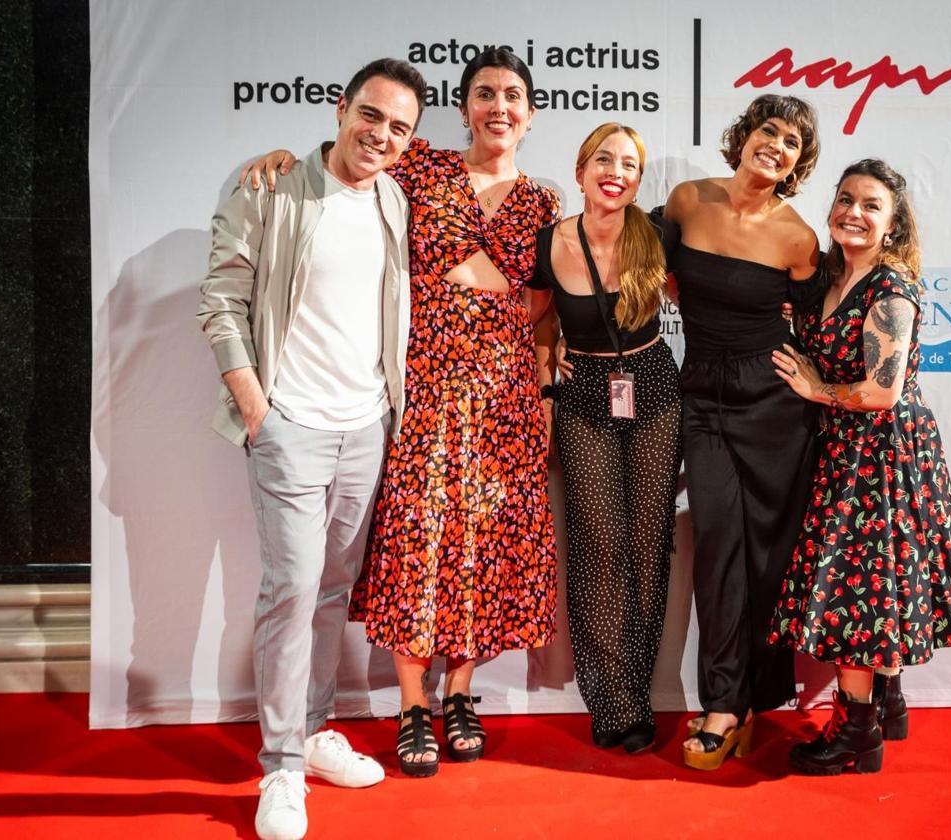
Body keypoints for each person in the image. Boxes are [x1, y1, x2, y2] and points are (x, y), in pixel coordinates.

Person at [241, 48, 560, 778]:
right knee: (417, 545)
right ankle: (412, 702)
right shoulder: (419, 170)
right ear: (465, 107)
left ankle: (461, 693)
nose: (499, 107)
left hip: (505, 399)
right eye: (485, 94)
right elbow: (339, 174)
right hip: (420, 387)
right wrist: (283, 158)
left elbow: (544, 314)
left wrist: (540, 391)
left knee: (484, 546)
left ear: (531, 113)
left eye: (513, 95)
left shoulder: (544, 202)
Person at [199, 58, 424, 840]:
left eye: (400, 127)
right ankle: (282, 767)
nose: (383, 135)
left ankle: (317, 728)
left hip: (365, 426)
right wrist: (257, 407)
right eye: (372, 116)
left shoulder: (394, 197)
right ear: (339, 109)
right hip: (288, 424)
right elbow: (221, 300)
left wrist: (385, 415)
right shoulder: (272, 188)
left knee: (332, 589)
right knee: (292, 591)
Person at [769, 158, 951, 775]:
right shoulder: (828, 279)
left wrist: (816, 390)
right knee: (876, 587)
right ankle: (887, 703)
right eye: (845, 199)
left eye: (871, 205)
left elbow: (882, 391)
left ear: (892, 224)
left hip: (881, 455)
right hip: (845, 451)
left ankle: (855, 734)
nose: (853, 213)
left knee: (857, 593)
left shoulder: (890, 289)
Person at [662, 94, 826, 770]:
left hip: (774, 407)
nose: (777, 146)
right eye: (770, 130)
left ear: (797, 164)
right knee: (719, 545)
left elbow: (824, 325)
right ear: (746, 136)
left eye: (792, 143)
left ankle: (754, 701)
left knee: (768, 557)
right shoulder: (686, 200)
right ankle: (723, 702)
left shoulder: (798, 237)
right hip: (701, 396)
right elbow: (645, 263)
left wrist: (822, 385)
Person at [529, 123, 681, 753]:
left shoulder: (658, 235)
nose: (615, 172)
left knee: (648, 545)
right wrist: (545, 371)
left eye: (628, 165)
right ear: (581, 167)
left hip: (653, 387)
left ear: (638, 181)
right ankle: (610, 699)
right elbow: (536, 319)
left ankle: (637, 692)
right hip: (585, 394)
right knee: (598, 545)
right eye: (603, 159)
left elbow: (710, 298)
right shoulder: (550, 240)